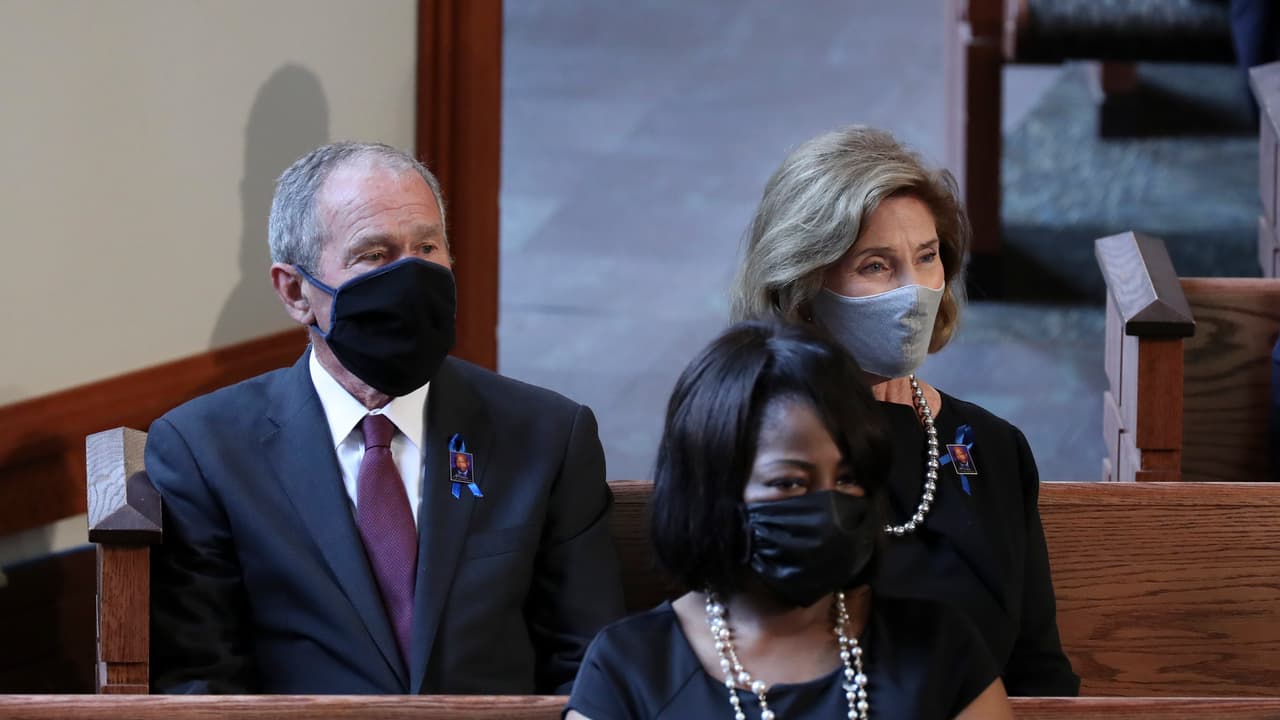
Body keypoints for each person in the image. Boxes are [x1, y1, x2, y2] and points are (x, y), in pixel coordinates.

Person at [147, 142, 624, 694]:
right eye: (374, 255)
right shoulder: (205, 451)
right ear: (296, 291)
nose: (410, 278)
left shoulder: (547, 435)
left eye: (426, 248)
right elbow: (201, 682)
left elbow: (590, 665)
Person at [730, 126, 1080, 696]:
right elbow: (729, 659)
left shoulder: (990, 446)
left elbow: (1038, 671)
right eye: (876, 265)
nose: (914, 290)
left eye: (926, 257)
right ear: (804, 283)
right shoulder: (746, 439)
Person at [566, 321, 1013, 720]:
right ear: (711, 489)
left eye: (848, 478)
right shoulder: (631, 667)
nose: (829, 506)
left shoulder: (938, 650)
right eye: (789, 484)